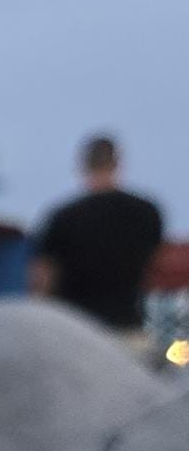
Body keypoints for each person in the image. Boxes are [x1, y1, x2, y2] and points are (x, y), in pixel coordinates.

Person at [31, 134, 164, 338]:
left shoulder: (64, 217)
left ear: (83, 165)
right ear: (117, 163)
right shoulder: (147, 213)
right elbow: (156, 267)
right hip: (128, 326)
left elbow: (43, 279)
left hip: (75, 329)